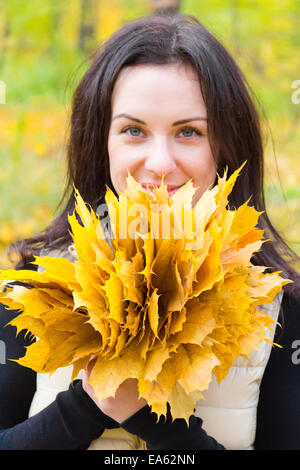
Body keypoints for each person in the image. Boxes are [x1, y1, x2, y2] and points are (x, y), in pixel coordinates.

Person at [0, 13, 299, 450]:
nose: (159, 163)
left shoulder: (280, 306)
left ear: (226, 146)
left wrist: (150, 417)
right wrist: (87, 405)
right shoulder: (37, 286)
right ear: (101, 142)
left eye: (189, 132)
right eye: (134, 130)